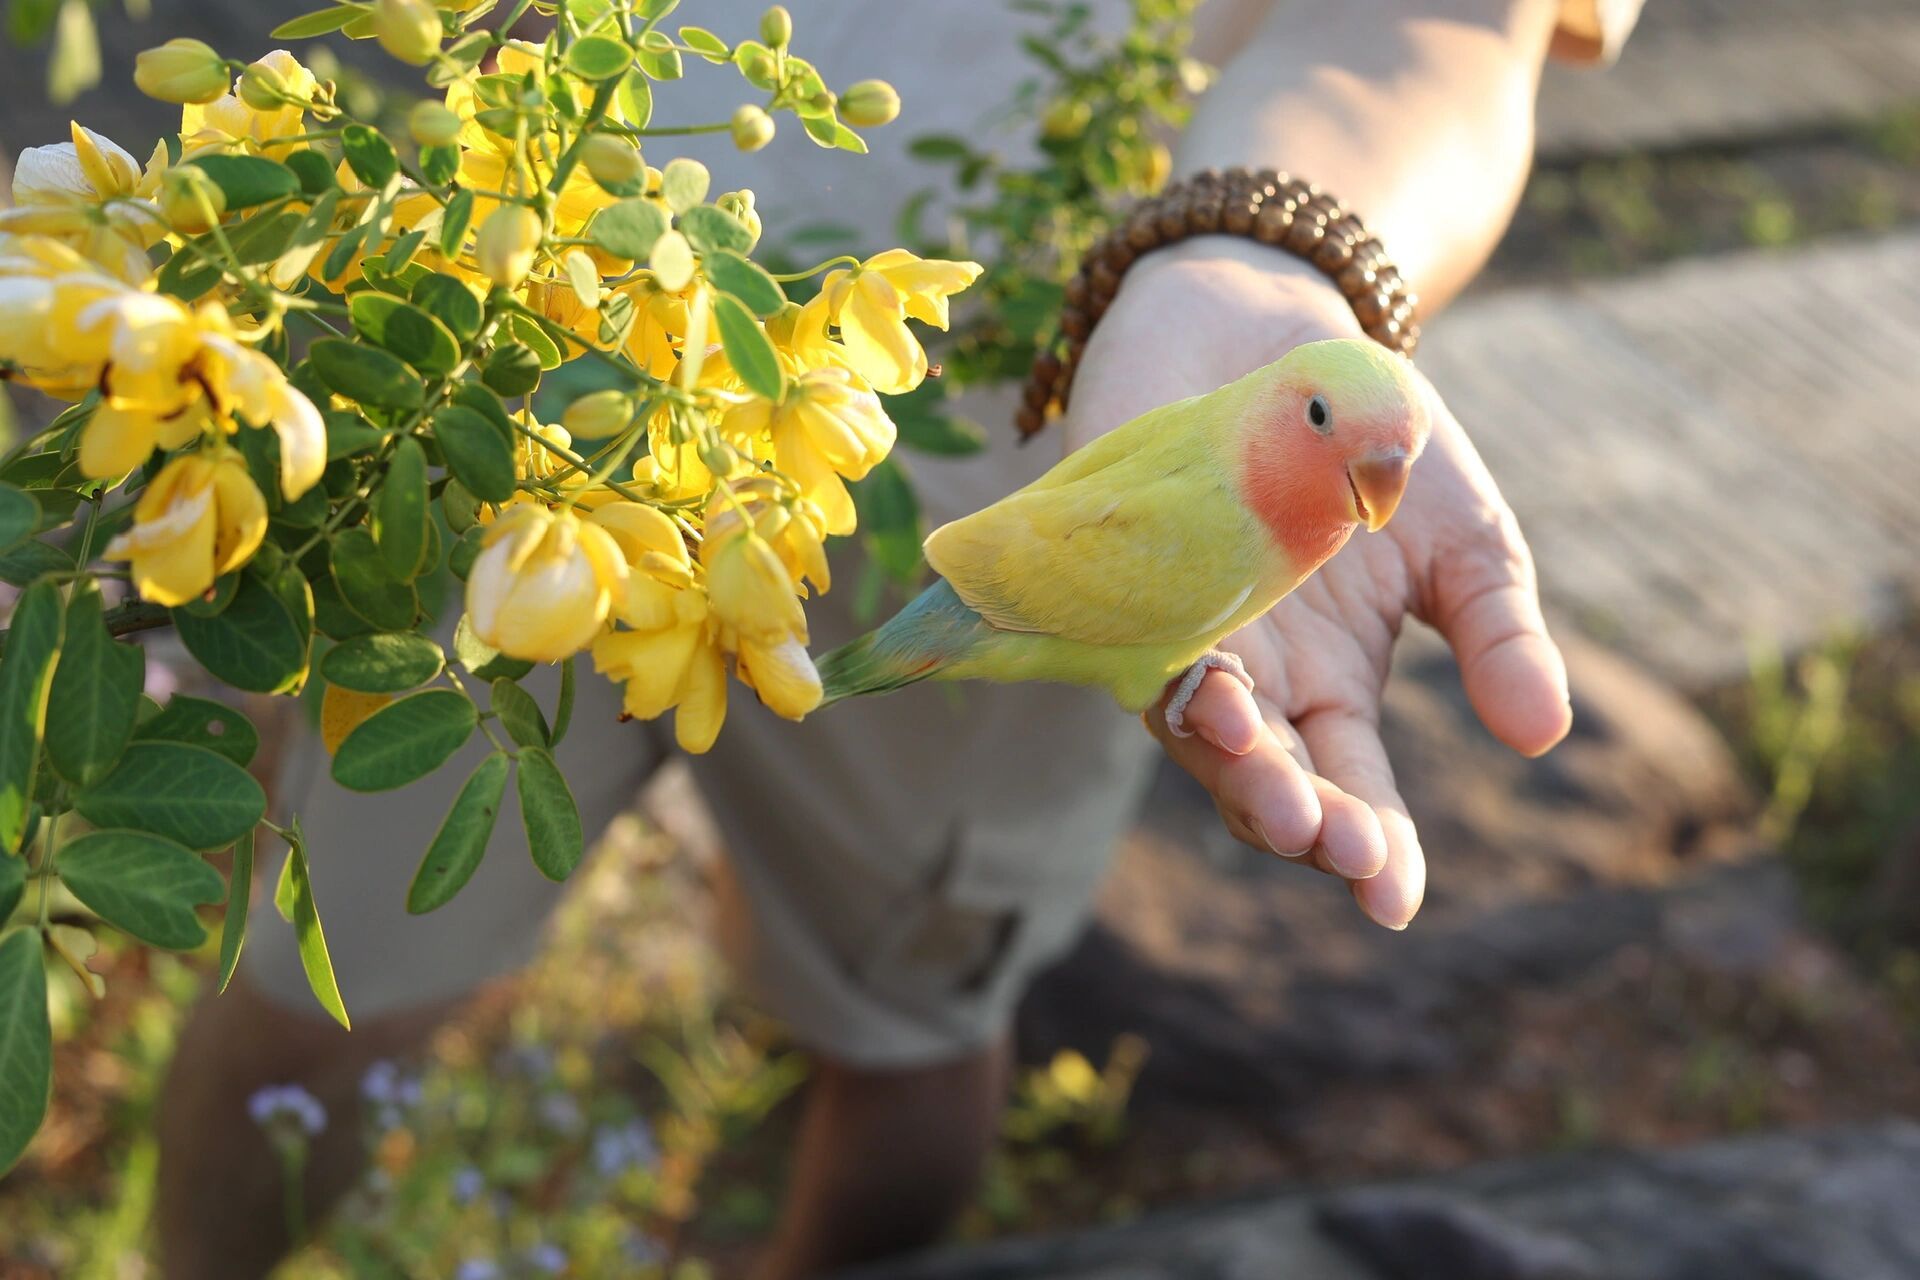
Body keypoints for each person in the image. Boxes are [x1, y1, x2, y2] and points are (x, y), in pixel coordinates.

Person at [155, 2, 1637, 1275]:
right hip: (549, 364)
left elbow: (1442, 30)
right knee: (314, 996)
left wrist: (1259, 253)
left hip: (1025, 442)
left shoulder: (1221, 498)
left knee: (904, 1028)